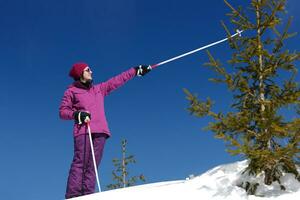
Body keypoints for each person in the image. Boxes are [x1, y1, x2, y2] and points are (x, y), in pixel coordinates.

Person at [59, 62, 151, 199]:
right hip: (84, 131)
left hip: (100, 132)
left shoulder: (99, 89)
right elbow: (63, 111)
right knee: (80, 163)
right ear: (80, 74)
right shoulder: (71, 91)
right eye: (87, 70)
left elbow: (117, 80)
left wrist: (135, 70)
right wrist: (77, 114)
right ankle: (73, 196)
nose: (91, 71)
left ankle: (88, 196)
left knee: (92, 166)